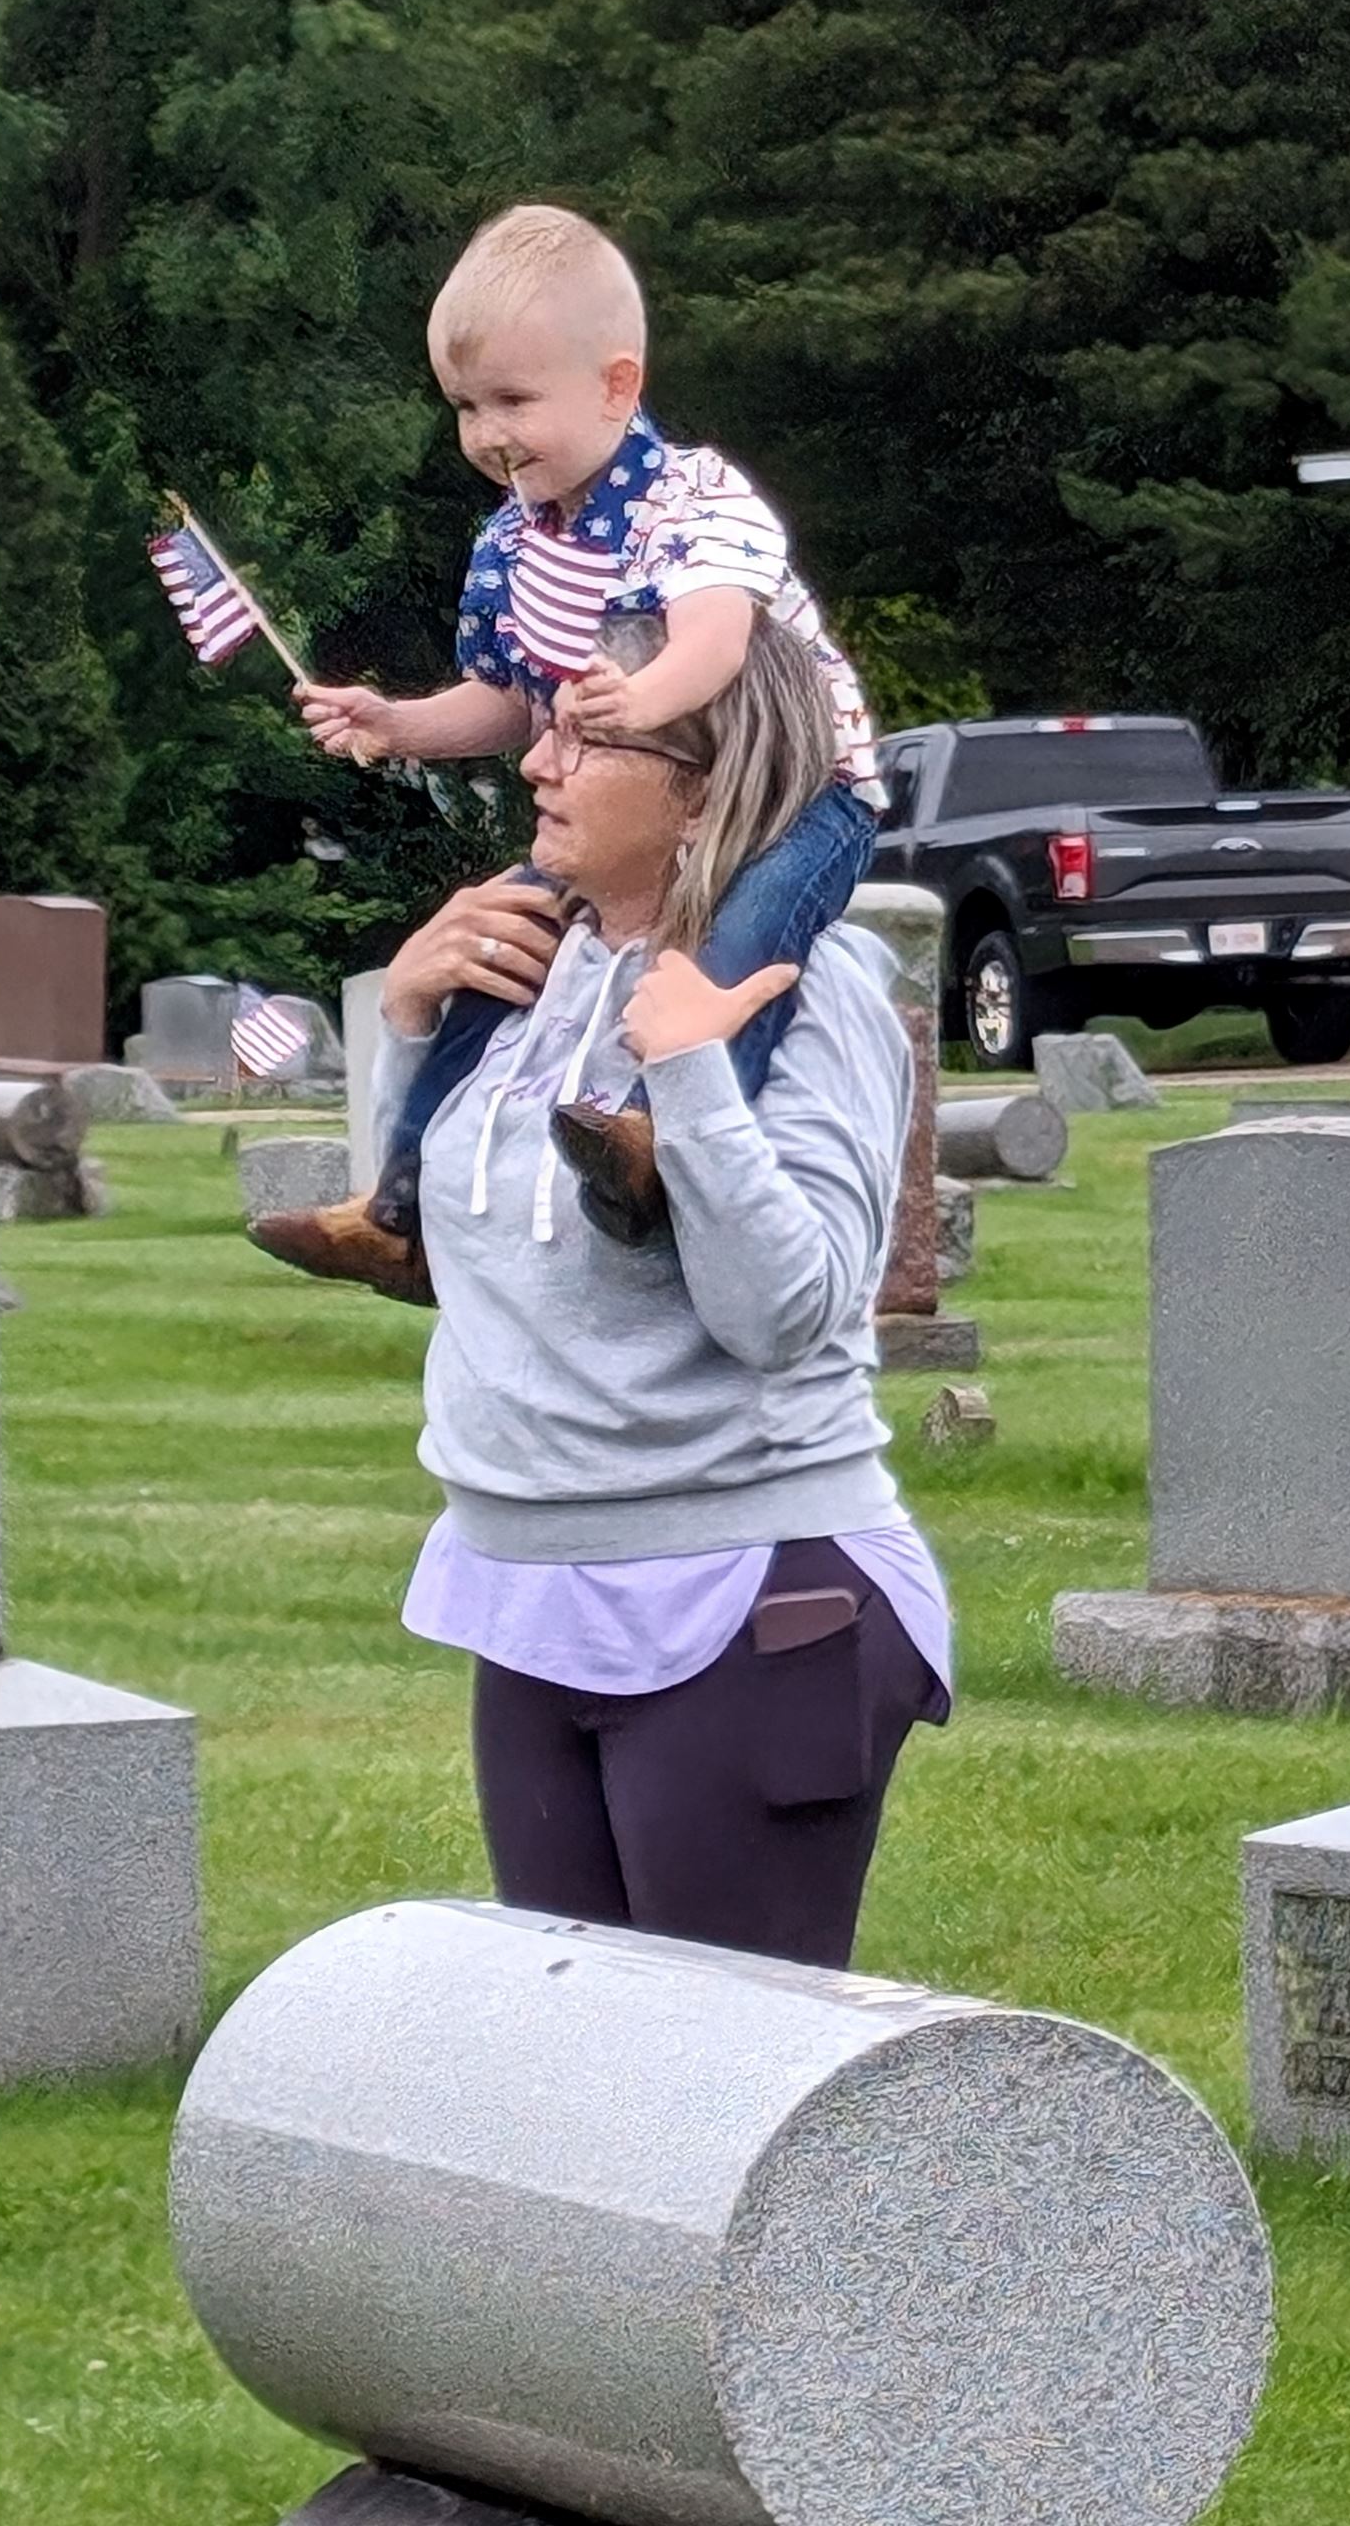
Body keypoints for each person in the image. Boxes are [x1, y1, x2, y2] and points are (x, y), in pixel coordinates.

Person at [256, 615, 949, 1969]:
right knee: (581, 2081)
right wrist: (404, 1021)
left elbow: (787, 1313)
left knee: (718, 2081)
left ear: (702, 785)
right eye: (543, 730)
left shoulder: (812, 996)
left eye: (589, 736)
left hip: (744, 1600)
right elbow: (462, 1260)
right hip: (528, 1584)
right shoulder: (525, 966)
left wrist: (690, 1072)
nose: (537, 766)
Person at [281, 202, 883, 1301]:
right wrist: (397, 721)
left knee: (732, 954)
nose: (486, 434)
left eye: (512, 399)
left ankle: (655, 1143)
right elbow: (510, 702)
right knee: (493, 950)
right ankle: (398, 1210)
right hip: (642, 798)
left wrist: (628, 700)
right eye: (464, 406)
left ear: (614, 387)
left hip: (798, 795)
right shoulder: (512, 539)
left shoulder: (695, 501)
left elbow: (711, 643)